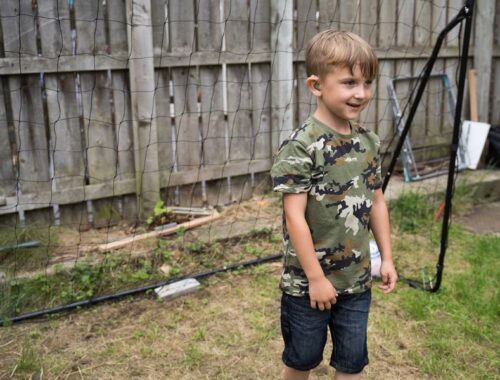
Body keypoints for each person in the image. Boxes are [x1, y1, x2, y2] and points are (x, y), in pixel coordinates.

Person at [270, 30, 398, 380]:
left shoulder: (368, 142)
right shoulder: (301, 147)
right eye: (349, 82)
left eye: (367, 83)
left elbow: (377, 203)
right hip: (307, 285)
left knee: (352, 361)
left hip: (356, 282)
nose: (361, 93)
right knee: (302, 359)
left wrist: (386, 258)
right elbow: (294, 217)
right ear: (316, 85)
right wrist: (315, 279)